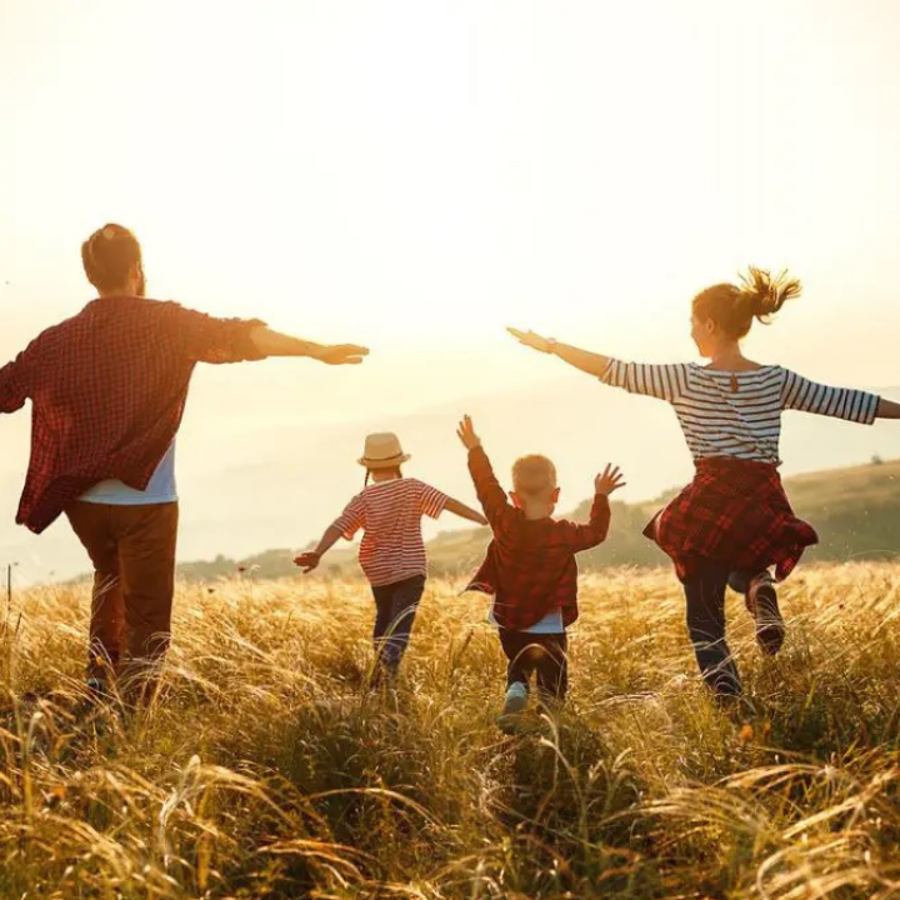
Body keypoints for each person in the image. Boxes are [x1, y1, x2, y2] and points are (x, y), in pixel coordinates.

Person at [0, 223, 368, 701]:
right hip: (146, 499)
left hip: (81, 501)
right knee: (148, 612)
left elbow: (6, 389)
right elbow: (240, 337)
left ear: (92, 275)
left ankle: (98, 680)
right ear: (136, 270)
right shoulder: (167, 323)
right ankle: (134, 710)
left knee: (109, 577)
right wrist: (314, 350)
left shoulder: (57, 340)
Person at [508, 267, 900, 698]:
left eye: (693, 323)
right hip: (762, 496)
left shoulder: (685, 378)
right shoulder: (776, 379)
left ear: (711, 324)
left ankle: (727, 694)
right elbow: (846, 401)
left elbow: (613, 370)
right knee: (745, 561)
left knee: (703, 613)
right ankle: (757, 585)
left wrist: (552, 347)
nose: (690, 331)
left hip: (712, 495)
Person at [456, 415, 624, 727]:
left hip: (509, 619)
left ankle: (516, 689)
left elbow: (486, 486)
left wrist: (475, 449)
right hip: (548, 623)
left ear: (514, 497)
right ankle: (548, 725)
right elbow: (596, 532)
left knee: (518, 665)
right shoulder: (564, 533)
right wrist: (601, 496)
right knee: (553, 681)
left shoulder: (504, 522)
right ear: (556, 495)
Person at [295, 431, 487, 684]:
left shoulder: (363, 499)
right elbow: (448, 503)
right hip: (410, 570)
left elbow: (338, 526)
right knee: (400, 622)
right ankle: (387, 675)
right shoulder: (413, 487)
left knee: (384, 618)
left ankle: (379, 674)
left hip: (378, 572)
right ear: (399, 462)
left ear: (368, 467)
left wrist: (318, 553)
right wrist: (482, 517)